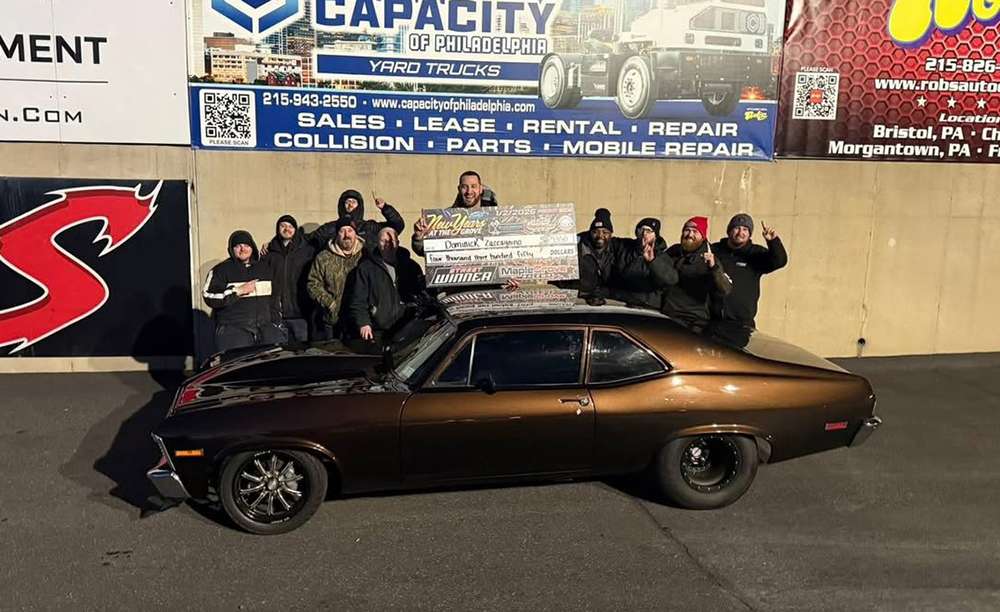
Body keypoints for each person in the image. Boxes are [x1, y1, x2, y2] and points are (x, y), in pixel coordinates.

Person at [202, 230, 285, 353]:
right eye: (238, 246)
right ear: (231, 249)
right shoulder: (221, 270)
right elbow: (208, 295)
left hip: (265, 330)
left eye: (246, 245)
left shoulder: (265, 269)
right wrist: (238, 291)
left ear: (252, 247)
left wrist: (277, 324)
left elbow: (274, 300)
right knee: (237, 364)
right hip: (233, 331)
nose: (242, 249)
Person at [346, 227, 427, 344]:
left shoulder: (411, 266)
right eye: (384, 241)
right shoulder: (366, 268)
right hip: (379, 329)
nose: (388, 244)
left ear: (398, 243)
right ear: (378, 243)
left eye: (392, 241)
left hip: (407, 326)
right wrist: (363, 323)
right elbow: (358, 300)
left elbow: (421, 295)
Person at [710, 213, 788, 328]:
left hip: (742, 324)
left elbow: (780, 261)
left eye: (745, 229)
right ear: (729, 231)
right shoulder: (715, 250)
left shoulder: (755, 253)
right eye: (737, 228)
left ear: (749, 234)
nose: (740, 233)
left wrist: (773, 242)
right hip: (712, 320)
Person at [663, 217, 733, 330]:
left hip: (694, 321)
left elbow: (725, 289)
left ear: (703, 236)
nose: (690, 234)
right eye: (687, 230)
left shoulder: (710, 259)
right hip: (667, 315)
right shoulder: (674, 251)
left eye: (695, 231)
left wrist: (713, 268)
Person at [411, 170, 497, 257]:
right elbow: (423, 251)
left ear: (480, 189)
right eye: (464, 187)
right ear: (459, 189)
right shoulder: (443, 219)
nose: (469, 191)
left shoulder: (496, 217)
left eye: (473, 186)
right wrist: (419, 237)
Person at [262, 215, 319, 342]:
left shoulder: (307, 251)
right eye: (283, 226)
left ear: (295, 229)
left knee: (301, 350)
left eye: (290, 226)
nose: (286, 229)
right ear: (277, 229)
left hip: (301, 315)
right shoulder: (269, 254)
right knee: (279, 351)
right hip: (277, 315)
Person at [307, 217, 366, 340]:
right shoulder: (323, 257)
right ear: (336, 234)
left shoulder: (365, 256)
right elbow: (313, 284)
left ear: (356, 234)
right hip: (331, 321)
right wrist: (330, 304)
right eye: (342, 231)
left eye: (350, 230)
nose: (346, 235)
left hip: (358, 322)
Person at [608, 217, 678, 310]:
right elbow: (603, 239)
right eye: (641, 230)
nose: (644, 234)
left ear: (655, 236)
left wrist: (652, 261)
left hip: (647, 306)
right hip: (619, 302)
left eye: (649, 231)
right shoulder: (624, 246)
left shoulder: (662, 256)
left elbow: (671, 279)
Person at [337, 189, 405, 251]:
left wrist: (385, 208)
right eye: (347, 202)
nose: (350, 205)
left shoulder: (370, 227)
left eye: (354, 202)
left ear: (359, 205)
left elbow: (397, 226)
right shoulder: (333, 227)